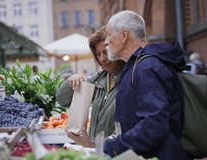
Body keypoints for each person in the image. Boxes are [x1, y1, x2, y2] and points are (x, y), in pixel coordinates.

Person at [103, 10, 192, 159]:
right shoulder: (138, 66)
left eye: (108, 34)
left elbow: (154, 125)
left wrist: (113, 147)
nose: (105, 41)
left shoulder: (147, 68)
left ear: (124, 35)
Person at [56, 26, 125, 147]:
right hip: (95, 151)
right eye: (98, 54)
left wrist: (95, 146)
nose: (102, 59)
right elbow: (62, 100)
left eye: (105, 52)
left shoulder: (128, 79)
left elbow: (125, 131)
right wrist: (72, 81)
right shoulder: (99, 79)